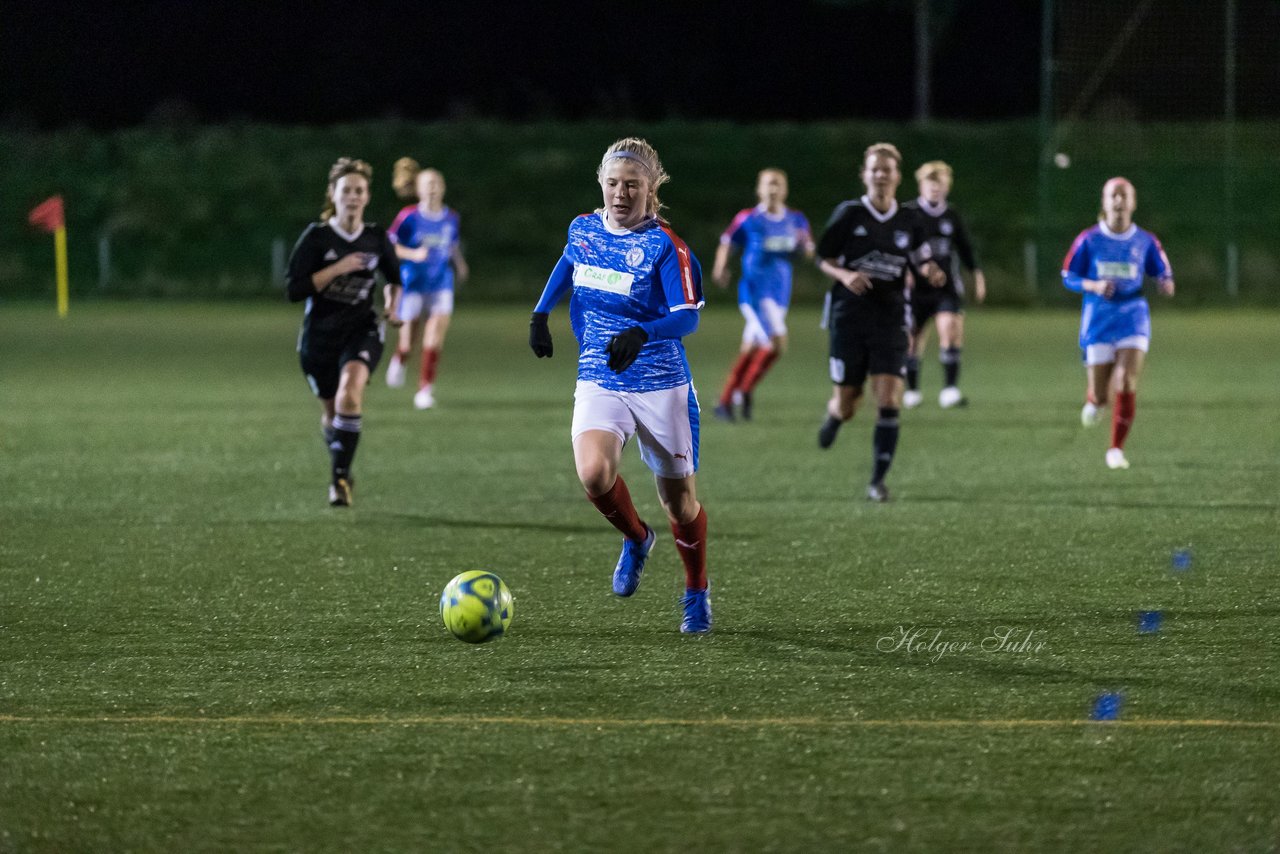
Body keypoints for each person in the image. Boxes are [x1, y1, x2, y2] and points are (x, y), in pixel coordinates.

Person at [528, 137, 712, 634]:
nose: (621, 193)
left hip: (661, 384)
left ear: (652, 189)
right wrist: (541, 311)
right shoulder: (583, 228)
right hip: (599, 373)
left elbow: (687, 320)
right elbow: (570, 260)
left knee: (680, 502)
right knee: (593, 474)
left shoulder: (665, 246)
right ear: (602, 185)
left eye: (633, 184)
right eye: (613, 183)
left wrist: (643, 332)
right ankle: (636, 537)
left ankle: (696, 589)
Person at [814, 143, 944, 502]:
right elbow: (821, 257)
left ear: (897, 176)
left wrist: (930, 270)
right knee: (848, 401)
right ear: (865, 174)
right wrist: (844, 275)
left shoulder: (909, 220)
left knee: (889, 398)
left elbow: (921, 258)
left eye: (887, 169)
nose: (881, 175)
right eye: (875, 169)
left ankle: (877, 481)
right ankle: (836, 415)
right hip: (849, 318)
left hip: (890, 318)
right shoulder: (849, 214)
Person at [285, 157, 401, 506]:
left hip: (361, 329)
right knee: (332, 416)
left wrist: (393, 304)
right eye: (346, 190)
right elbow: (294, 290)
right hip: (318, 338)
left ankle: (337, 481)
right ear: (333, 195)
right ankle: (342, 465)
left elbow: (395, 279)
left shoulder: (376, 237)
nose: (353, 196)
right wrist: (339, 268)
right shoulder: (317, 238)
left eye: (359, 190)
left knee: (349, 395)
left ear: (367, 197)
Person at [1062, 176, 1174, 470]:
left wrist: (1165, 280)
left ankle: (1115, 449)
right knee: (1100, 395)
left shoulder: (1145, 240)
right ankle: (1095, 400)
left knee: (1126, 380)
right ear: (1104, 201)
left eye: (1125, 195)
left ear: (1133, 202)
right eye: (1114, 195)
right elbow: (1067, 276)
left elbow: (1161, 267)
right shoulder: (1088, 239)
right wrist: (1093, 285)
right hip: (1098, 317)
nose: (1119, 201)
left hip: (1134, 315)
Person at [711, 168, 814, 421]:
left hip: (780, 293)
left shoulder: (795, 220)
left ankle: (725, 401)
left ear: (785, 189)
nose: (773, 189)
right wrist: (720, 266)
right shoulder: (748, 218)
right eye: (769, 184)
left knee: (751, 346)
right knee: (777, 342)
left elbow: (809, 251)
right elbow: (727, 241)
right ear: (759, 188)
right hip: (754, 292)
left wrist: (804, 246)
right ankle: (744, 391)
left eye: (778, 184)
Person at [384, 158, 470, 409]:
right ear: (418, 188)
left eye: (437, 183)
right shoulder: (408, 217)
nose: (433, 187)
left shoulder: (451, 217)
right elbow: (390, 245)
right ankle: (400, 358)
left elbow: (451, 243)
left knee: (434, 336)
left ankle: (424, 390)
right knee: (408, 339)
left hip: (441, 282)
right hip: (412, 282)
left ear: (442, 187)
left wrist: (460, 263)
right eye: (428, 183)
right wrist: (412, 255)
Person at [902, 161, 986, 409]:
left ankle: (949, 390)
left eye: (940, 184)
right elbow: (897, 248)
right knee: (911, 339)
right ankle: (913, 390)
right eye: (931, 183)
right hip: (914, 289)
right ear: (921, 185)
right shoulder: (908, 214)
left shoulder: (952, 215)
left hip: (946, 287)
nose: (935, 188)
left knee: (950, 329)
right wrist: (905, 272)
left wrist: (977, 276)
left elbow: (966, 248)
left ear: (947, 187)